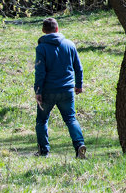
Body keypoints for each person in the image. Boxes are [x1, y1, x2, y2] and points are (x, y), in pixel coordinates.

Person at [34, 17, 87, 159]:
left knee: (42, 121)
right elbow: (78, 68)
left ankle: (43, 150)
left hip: (48, 90)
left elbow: (40, 71)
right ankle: (79, 145)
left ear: (43, 31)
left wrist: (38, 90)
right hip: (67, 89)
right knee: (70, 119)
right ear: (57, 29)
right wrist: (79, 85)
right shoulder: (70, 45)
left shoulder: (41, 48)